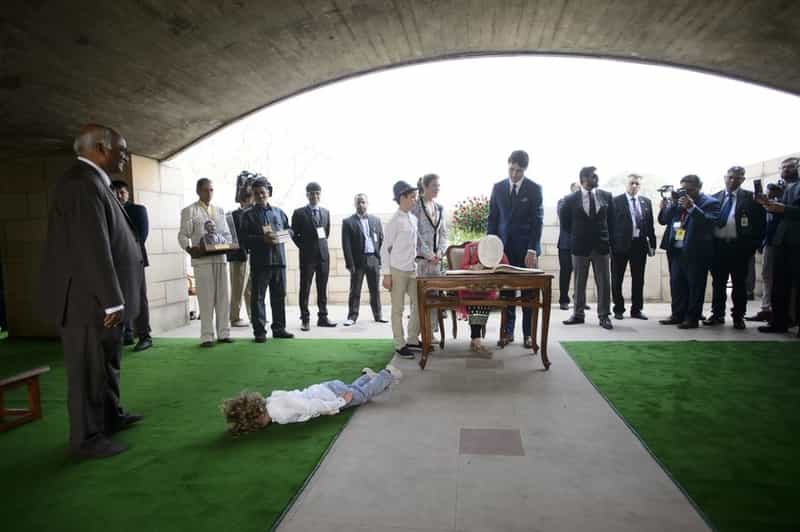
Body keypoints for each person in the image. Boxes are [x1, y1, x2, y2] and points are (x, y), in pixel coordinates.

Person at [40, 124, 144, 459]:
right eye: (121, 149)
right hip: (88, 301)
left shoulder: (94, 181)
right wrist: (112, 300)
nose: (125, 155)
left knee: (107, 362)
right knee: (87, 371)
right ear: (100, 147)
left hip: (99, 299)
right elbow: (92, 247)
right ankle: (86, 439)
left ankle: (110, 417)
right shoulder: (80, 184)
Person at [221, 364, 402, 434]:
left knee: (360, 397)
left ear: (258, 415)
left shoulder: (278, 412)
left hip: (330, 396)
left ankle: (387, 374)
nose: (260, 426)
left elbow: (310, 407)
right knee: (353, 390)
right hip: (326, 388)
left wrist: (340, 403)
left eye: (256, 424)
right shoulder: (271, 401)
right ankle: (368, 378)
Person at [487, 150, 543, 348]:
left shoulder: (535, 189)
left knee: (528, 294)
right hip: (504, 251)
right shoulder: (498, 187)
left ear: (525, 169)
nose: (514, 174)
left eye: (518, 171)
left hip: (527, 251)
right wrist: (491, 248)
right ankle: (507, 333)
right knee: (507, 295)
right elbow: (492, 220)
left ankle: (528, 335)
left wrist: (532, 250)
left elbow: (537, 223)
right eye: (511, 169)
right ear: (508, 165)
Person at [705, 166, 765, 329]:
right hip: (718, 247)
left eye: (737, 178)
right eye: (730, 177)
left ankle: (738, 316)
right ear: (725, 177)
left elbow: (760, 223)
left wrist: (753, 246)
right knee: (718, 283)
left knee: (739, 284)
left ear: (743, 180)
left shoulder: (751, 198)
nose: (733, 180)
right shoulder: (714, 198)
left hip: (740, 248)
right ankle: (717, 315)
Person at [658, 175, 721, 329]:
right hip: (676, 250)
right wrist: (671, 203)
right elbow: (664, 220)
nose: (685, 193)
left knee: (695, 286)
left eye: (689, 190)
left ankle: (692, 318)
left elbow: (709, 223)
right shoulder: (679, 201)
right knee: (676, 284)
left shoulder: (711, 202)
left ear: (699, 187)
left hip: (697, 251)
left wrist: (692, 207)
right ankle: (677, 315)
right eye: (683, 189)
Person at [178, 178, 234, 347]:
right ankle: (207, 336)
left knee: (223, 298)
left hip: (220, 259)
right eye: (205, 190)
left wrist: (228, 245)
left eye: (211, 190)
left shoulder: (220, 210)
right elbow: (183, 235)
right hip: (202, 261)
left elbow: (227, 234)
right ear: (198, 191)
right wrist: (189, 249)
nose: (208, 193)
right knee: (206, 299)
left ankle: (224, 333)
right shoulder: (190, 211)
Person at [560, 166, 615, 330]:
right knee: (579, 282)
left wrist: (608, 240)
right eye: (593, 176)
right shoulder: (570, 199)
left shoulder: (606, 196)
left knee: (604, 283)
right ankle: (578, 314)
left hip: (601, 246)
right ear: (583, 178)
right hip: (579, 247)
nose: (596, 178)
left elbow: (611, 221)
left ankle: (604, 316)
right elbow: (566, 223)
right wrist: (579, 235)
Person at [239, 178, 294, 342]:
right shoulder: (247, 215)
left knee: (279, 296)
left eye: (262, 192)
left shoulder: (279, 212)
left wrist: (279, 237)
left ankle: (279, 328)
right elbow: (244, 239)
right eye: (256, 193)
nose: (260, 195)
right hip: (260, 263)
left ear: (268, 193)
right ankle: (259, 332)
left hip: (279, 261)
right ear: (253, 195)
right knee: (258, 298)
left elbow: (290, 231)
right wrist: (263, 239)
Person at [109, 180, 153, 352]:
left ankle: (145, 336)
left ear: (128, 193)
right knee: (117, 298)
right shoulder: (108, 210)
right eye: (115, 192)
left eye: (122, 192)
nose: (119, 195)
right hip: (113, 262)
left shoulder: (138, 210)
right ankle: (126, 334)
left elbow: (141, 236)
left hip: (135, 261)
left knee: (139, 298)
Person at [758, 157, 800, 335]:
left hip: (797, 242)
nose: (787, 170)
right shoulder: (778, 187)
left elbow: (786, 210)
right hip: (778, 241)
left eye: (791, 167)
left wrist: (783, 209)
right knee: (778, 285)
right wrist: (766, 203)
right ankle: (779, 322)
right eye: (783, 167)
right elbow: (772, 213)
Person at [382, 180, 422, 359]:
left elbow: (417, 244)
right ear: (402, 198)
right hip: (397, 270)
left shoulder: (413, 219)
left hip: (412, 269)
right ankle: (400, 344)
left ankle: (413, 338)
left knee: (419, 304)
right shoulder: (394, 221)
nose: (415, 200)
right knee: (398, 309)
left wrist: (429, 256)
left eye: (415, 197)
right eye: (412, 197)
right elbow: (384, 249)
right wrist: (387, 274)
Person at [610, 174, 657, 320]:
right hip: (620, 246)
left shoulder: (646, 202)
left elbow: (650, 225)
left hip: (639, 245)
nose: (634, 186)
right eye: (632, 183)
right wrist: (610, 245)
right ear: (626, 184)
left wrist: (653, 244)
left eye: (637, 184)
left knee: (638, 279)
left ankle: (636, 309)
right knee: (617, 279)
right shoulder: (615, 201)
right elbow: (609, 225)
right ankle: (618, 308)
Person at [291, 182, 336, 331]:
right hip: (307, 256)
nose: (315, 196)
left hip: (323, 256)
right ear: (307, 195)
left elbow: (326, 233)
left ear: (320, 195)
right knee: (305, 287)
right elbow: (294, 234)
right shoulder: (299, 213)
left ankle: (323, 317)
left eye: (317, 193)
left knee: (322, 288)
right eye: (311, 194)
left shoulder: (325, 212)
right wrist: (303, 247)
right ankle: (305, 319)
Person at [457, 236, 510, 356]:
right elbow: (462, 267)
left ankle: (475, 340)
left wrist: (497, 268)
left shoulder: (497, 249)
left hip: (487, 289)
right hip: (469, 289)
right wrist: (472, 267)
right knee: (477, 302)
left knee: (483, 301)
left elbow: (506, 266)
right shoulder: (470, 248)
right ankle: (476, 340)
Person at [341, 193, 386, 326]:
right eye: (359, 202)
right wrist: (350, 264)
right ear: (355, 204)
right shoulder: (348, 222)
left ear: (367, 203)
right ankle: (352, 317)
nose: (361, 205)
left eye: (363, 202)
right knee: (355, 290)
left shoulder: (376, 220)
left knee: (375, 290)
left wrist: (380, 259)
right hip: (357, 261)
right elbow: (346, 245)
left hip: (373, 259)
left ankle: (378, 315)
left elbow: (381, 239)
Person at [412, 174, 448, 337]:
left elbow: (444, 234)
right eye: (434, 185)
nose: (438, 188)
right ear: (425, 187)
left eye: (439, 185)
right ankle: (417, 333)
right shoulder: (415, 207)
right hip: (421, 262)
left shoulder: (440, 207)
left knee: (435, 298)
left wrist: (440, 252)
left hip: (437, 262)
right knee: (421, 299)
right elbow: (414, 234)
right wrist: (428, 254)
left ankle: (431, 332)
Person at [746, 178, 786, 322]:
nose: (770, 195)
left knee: (773, 278)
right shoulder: (766, 206)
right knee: (767, 276)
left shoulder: (780, 206)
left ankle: (771, 310)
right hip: (769, 243)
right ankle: (766, 308)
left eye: (774, 192)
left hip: (780, 244)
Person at [228, 184, 253, 328]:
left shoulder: (251, 214)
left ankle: (252, 315)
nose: (252, 201)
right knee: (238, 288)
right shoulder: (233, 215)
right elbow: (233, 238)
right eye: (250, 197)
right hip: (238, 256)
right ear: (243, 199)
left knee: (250, 288)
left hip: (251, 256)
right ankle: (235, 317)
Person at [556, 182, 582, 310]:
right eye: (576, 190)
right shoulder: (563, 202)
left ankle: (579, 300)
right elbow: (563, 218)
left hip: (581, 245)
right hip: (566, 244)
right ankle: (563, 300)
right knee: (565, 272)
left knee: (581, 273)